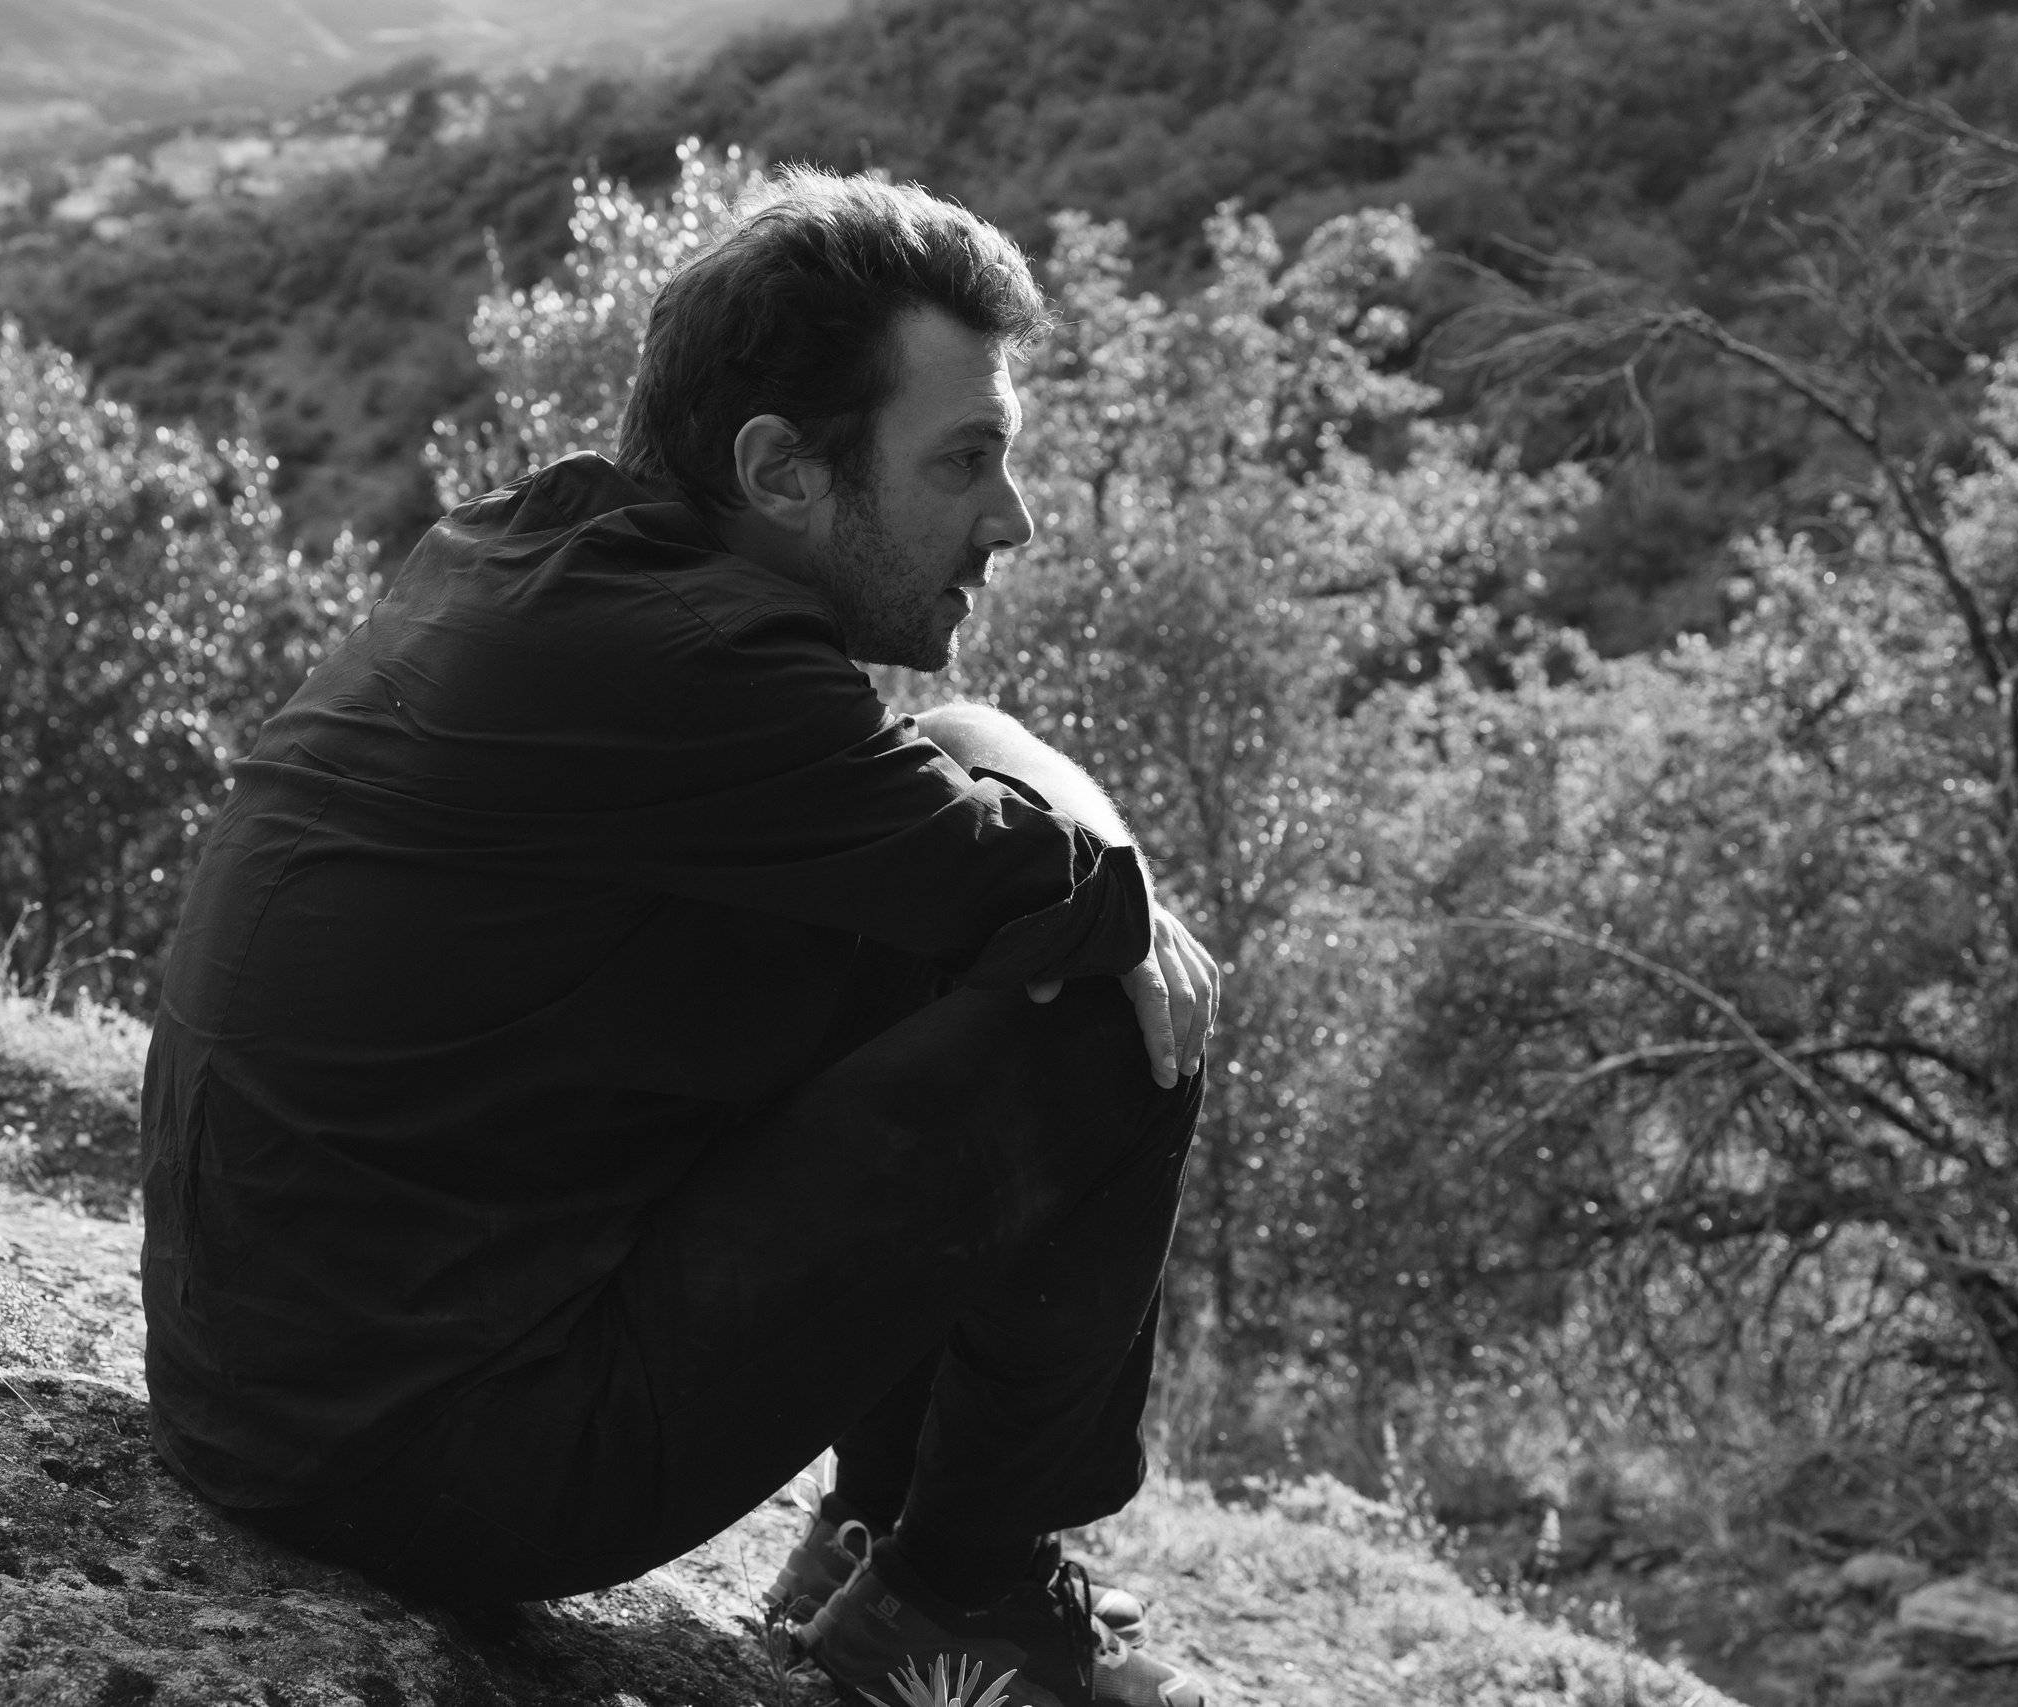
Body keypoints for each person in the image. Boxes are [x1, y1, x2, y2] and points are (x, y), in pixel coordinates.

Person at [138, 167, 1216, 1707]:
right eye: (965, 460)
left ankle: (876, 1536)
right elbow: (1090, 901)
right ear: (781, 467)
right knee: (1104, 1011)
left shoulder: (539, 563)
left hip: (284, 1400)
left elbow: (960, 802)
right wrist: (1112, 885)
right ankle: (957, 1596)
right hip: (444, 1459)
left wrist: (1036, 809)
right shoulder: (706, 665)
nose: (1012, 518)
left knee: (948, 903)